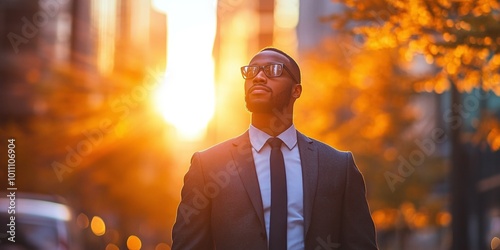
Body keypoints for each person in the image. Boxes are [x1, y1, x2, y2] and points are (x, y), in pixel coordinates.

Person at [171, 47, 378, 250]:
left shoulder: (338, 166)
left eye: (273, 70)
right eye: (252, 71)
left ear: (296, 90)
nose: (259, 77)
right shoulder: (207, 165)